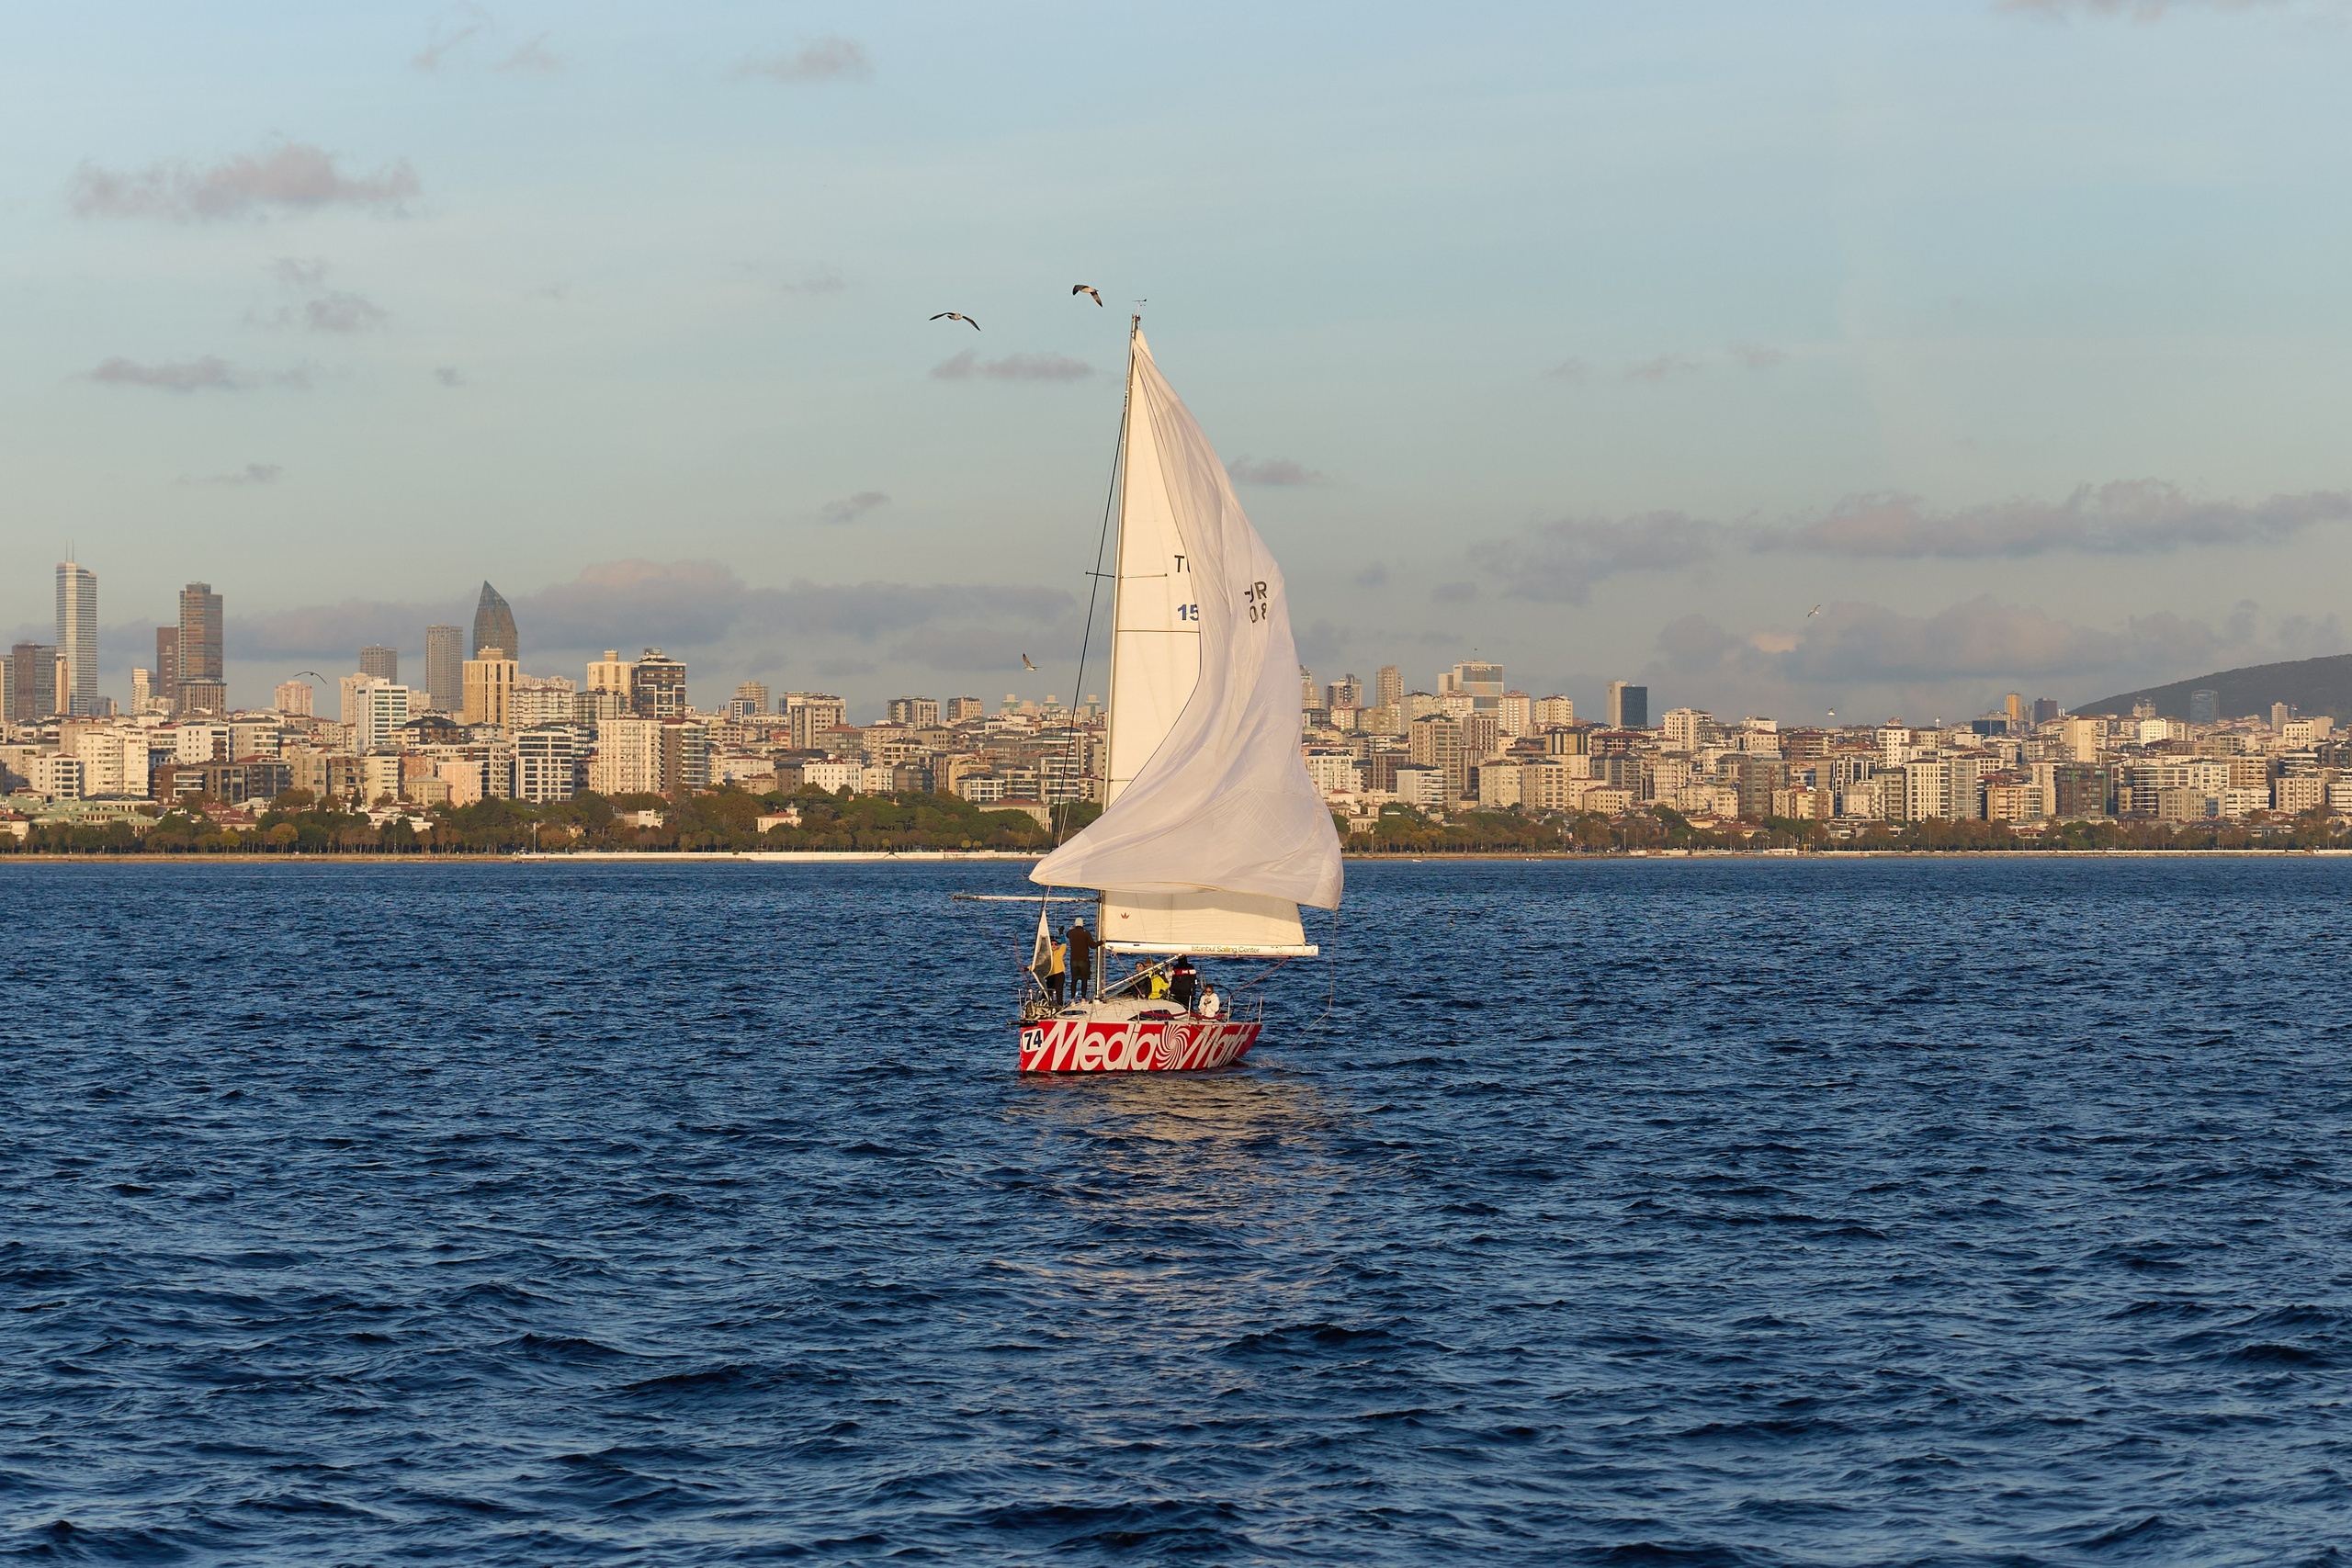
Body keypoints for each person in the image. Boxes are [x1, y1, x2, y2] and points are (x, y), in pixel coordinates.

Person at [1066, 919, 1095, 1000]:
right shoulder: (1086, 933)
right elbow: (1092, 945)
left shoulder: (1071, 932)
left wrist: (1071, 929)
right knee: (1084, 980)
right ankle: (1083, 998)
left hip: (1073, 960)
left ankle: (1072, 1000)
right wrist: (1101, 942)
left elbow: (1067, 935)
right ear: (1082, 924)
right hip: (1084, 960)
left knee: (1074, 980)